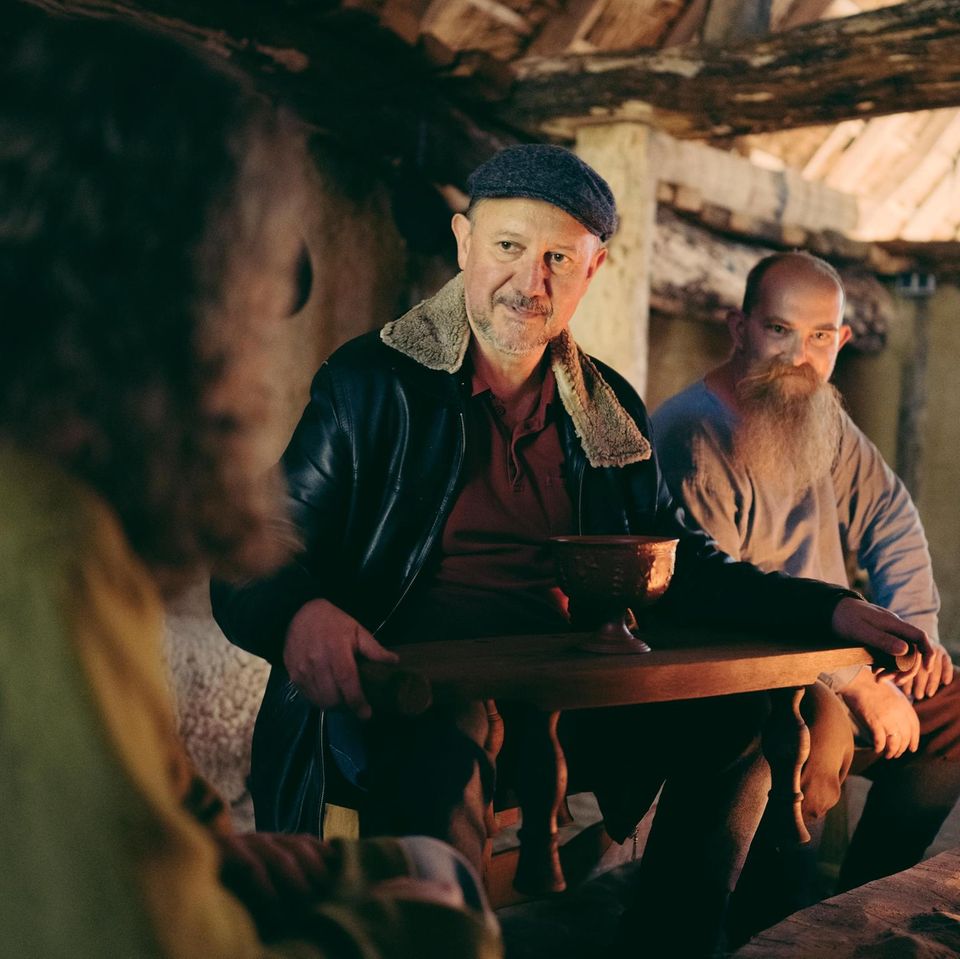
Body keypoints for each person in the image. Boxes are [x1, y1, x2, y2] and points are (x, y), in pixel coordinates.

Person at [211, 147, 930, 957]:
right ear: (463, 243)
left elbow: (679, 564)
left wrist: (827, 606)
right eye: (509, 247)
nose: (531, 281)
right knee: (437, 763)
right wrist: (302, 613)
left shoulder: (606, 405)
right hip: (413, 698)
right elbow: (254, 542)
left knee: (740, 719)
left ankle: (667, 943)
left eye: (559, 257)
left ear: (595, 268)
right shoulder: (371, 384)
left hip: (572, 703)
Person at [0, 12, 501, 959]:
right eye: (248, 308)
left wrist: (242, 862)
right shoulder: (44, 552)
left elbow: (130, 840)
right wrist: (412, 930)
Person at [652, 251, 960, 942]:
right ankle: (771, 927)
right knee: (814, 740)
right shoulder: (692, 435)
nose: (800, 354)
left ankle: (853, 907)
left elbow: (888, 514)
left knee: (954, 708)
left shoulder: (822, 416)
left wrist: (914, 634)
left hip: (836, 648)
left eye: (820, 335)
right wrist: (851, 683)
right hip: (745, 669)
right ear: (740, 329)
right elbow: (722, 601)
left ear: (842, 341)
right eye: (779, 330)